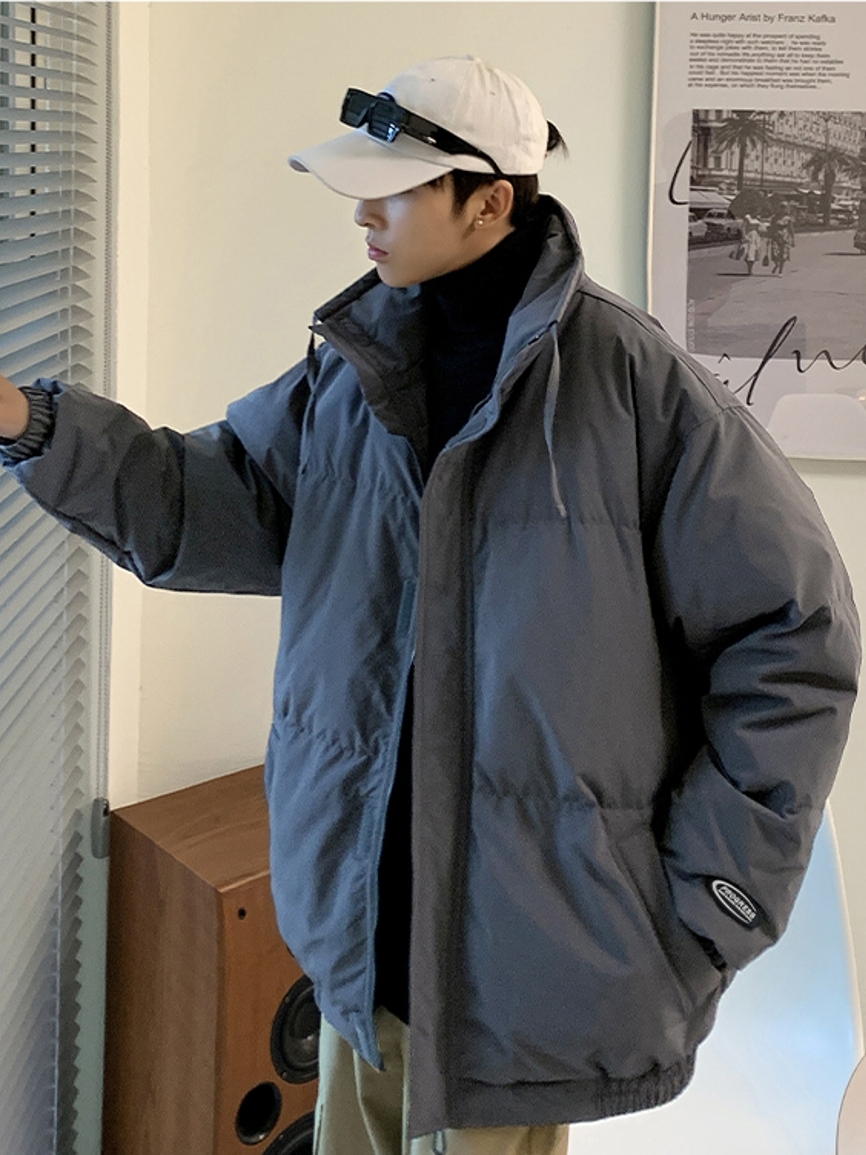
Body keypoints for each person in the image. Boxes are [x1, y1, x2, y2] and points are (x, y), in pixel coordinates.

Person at [0, 55, 860, 1155]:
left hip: (531, 979)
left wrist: (710, 902)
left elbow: (792, 640)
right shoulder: (353, 377)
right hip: (364, 953)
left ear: (489, 202)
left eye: (393, 191)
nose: (362, 214)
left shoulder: (639, 392)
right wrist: (27, 419)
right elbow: (195, 502)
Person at [768, 202, 796, 274]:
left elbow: (791, 229)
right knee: (775, 254)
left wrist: (793, 239)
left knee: (783, 254)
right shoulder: (774, 218)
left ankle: (780, 271)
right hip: (776, 237)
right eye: (782, 207)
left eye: (784, 207)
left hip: (785, 238)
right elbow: (771, 228)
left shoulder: (788, 219)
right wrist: (769, 237)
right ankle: (777, 265)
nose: (783, 209)